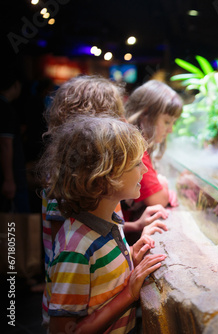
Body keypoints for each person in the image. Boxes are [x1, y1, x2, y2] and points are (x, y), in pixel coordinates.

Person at [39, 116, 167, 333]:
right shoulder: (76, 249)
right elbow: (63, 330)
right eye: (137, 164)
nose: (144, 171)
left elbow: (103, 282)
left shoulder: (111, 220)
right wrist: (129, 294)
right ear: (104, 178)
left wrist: (132, 258)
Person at [42, 75, 169, 269]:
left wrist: (135, 226)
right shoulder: (66, 183)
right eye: (117, 118)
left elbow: (97, 225)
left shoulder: (96, 179)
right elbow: (64, 255)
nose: (125, 122)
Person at [123, 80, 183, 221]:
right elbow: (157, 200)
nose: (170, 130)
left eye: (173, 123)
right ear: (145, 114)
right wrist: (162, 185)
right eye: (167, 121)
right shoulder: (134, 146)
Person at [0, 67, 29, 212]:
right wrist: (9, 180)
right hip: (12, 177)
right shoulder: (6, 110)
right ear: (16, 85)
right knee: (15, 223)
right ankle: (14, 236)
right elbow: (5, 144)